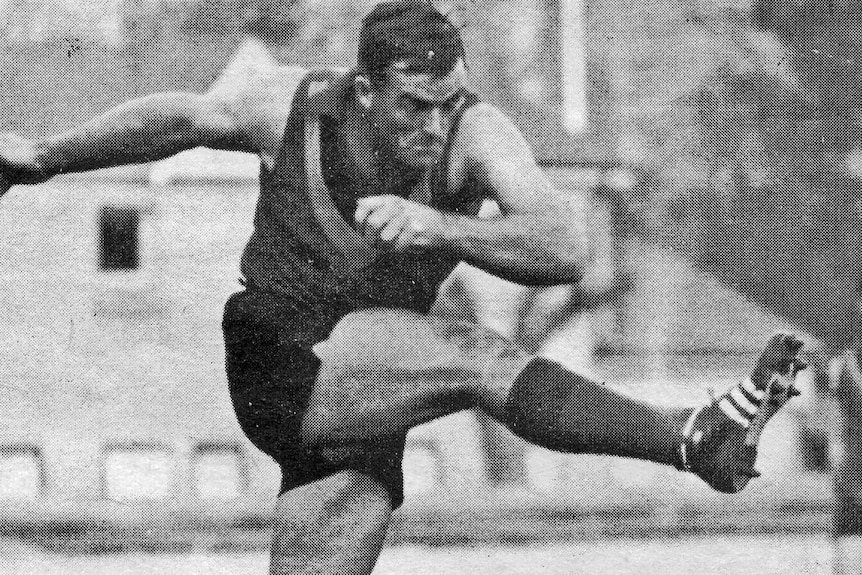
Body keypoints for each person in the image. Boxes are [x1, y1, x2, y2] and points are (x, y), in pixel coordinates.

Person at [0, 2, 805, 573]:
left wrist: (447, 228)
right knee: (475, 353)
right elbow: (181, 118)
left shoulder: (474, 133)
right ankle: (693, 438)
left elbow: (564, 244)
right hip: (279, 361)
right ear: (365, 91)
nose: (433, 128)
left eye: (447, 104)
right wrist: (45, 157)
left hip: (368, 402)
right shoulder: (291, 103)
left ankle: (695, 438)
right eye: (415, 108)